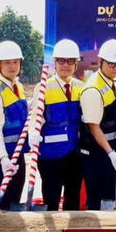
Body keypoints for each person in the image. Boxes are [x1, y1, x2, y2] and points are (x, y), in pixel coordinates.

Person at [29, 39, 85, 211]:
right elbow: (35, 117)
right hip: (50, 155)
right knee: (51, 200)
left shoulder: (82, 88)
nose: (65, 65)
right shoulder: (43, 88)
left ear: (76, 64)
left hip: (75, 154)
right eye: (61, 61)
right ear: (55, 63)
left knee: (73, 200)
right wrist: (33, 133)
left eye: (70, 61)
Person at [79, 39, 116, 210]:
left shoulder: (114, 83)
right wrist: (111, 153)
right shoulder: (93, 90)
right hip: (96, 153)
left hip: (111, 149)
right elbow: (94, 127)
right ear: (100, 61)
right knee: (97, 199)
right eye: (112, 64)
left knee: (109, 197)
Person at [0, 41, 28, 210]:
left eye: (15, 62)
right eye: (7, 62)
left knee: (14, 205)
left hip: (17, 155)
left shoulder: (18, 87)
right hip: (0, 159)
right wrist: (3, 159)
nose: (12, 66)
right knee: (0, 208)